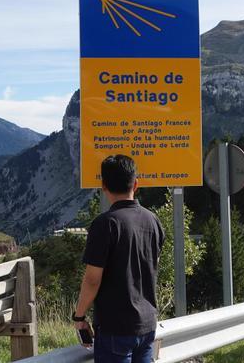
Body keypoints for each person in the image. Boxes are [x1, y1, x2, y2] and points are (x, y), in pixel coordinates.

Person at [73, 154, 165, 363]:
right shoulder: (153, 221)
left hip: (115, 327)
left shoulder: (105, 224)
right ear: (136, 184)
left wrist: (79, 317)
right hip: (147, 324)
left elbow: (92, 279)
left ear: (104, 186)